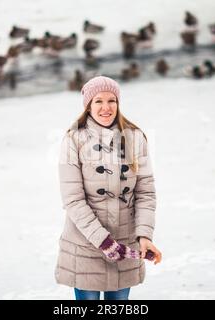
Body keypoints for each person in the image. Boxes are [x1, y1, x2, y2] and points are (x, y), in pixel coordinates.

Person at [55, 75, 162, 300]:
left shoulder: (135, 138)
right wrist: (103, 241)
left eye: (111, 100)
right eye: (98, 101)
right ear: (88, 106)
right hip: (85, 246)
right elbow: (73, 200)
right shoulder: (73, 140)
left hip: (125, 242)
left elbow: (145, 193)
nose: (106, 107)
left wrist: (144, 235)